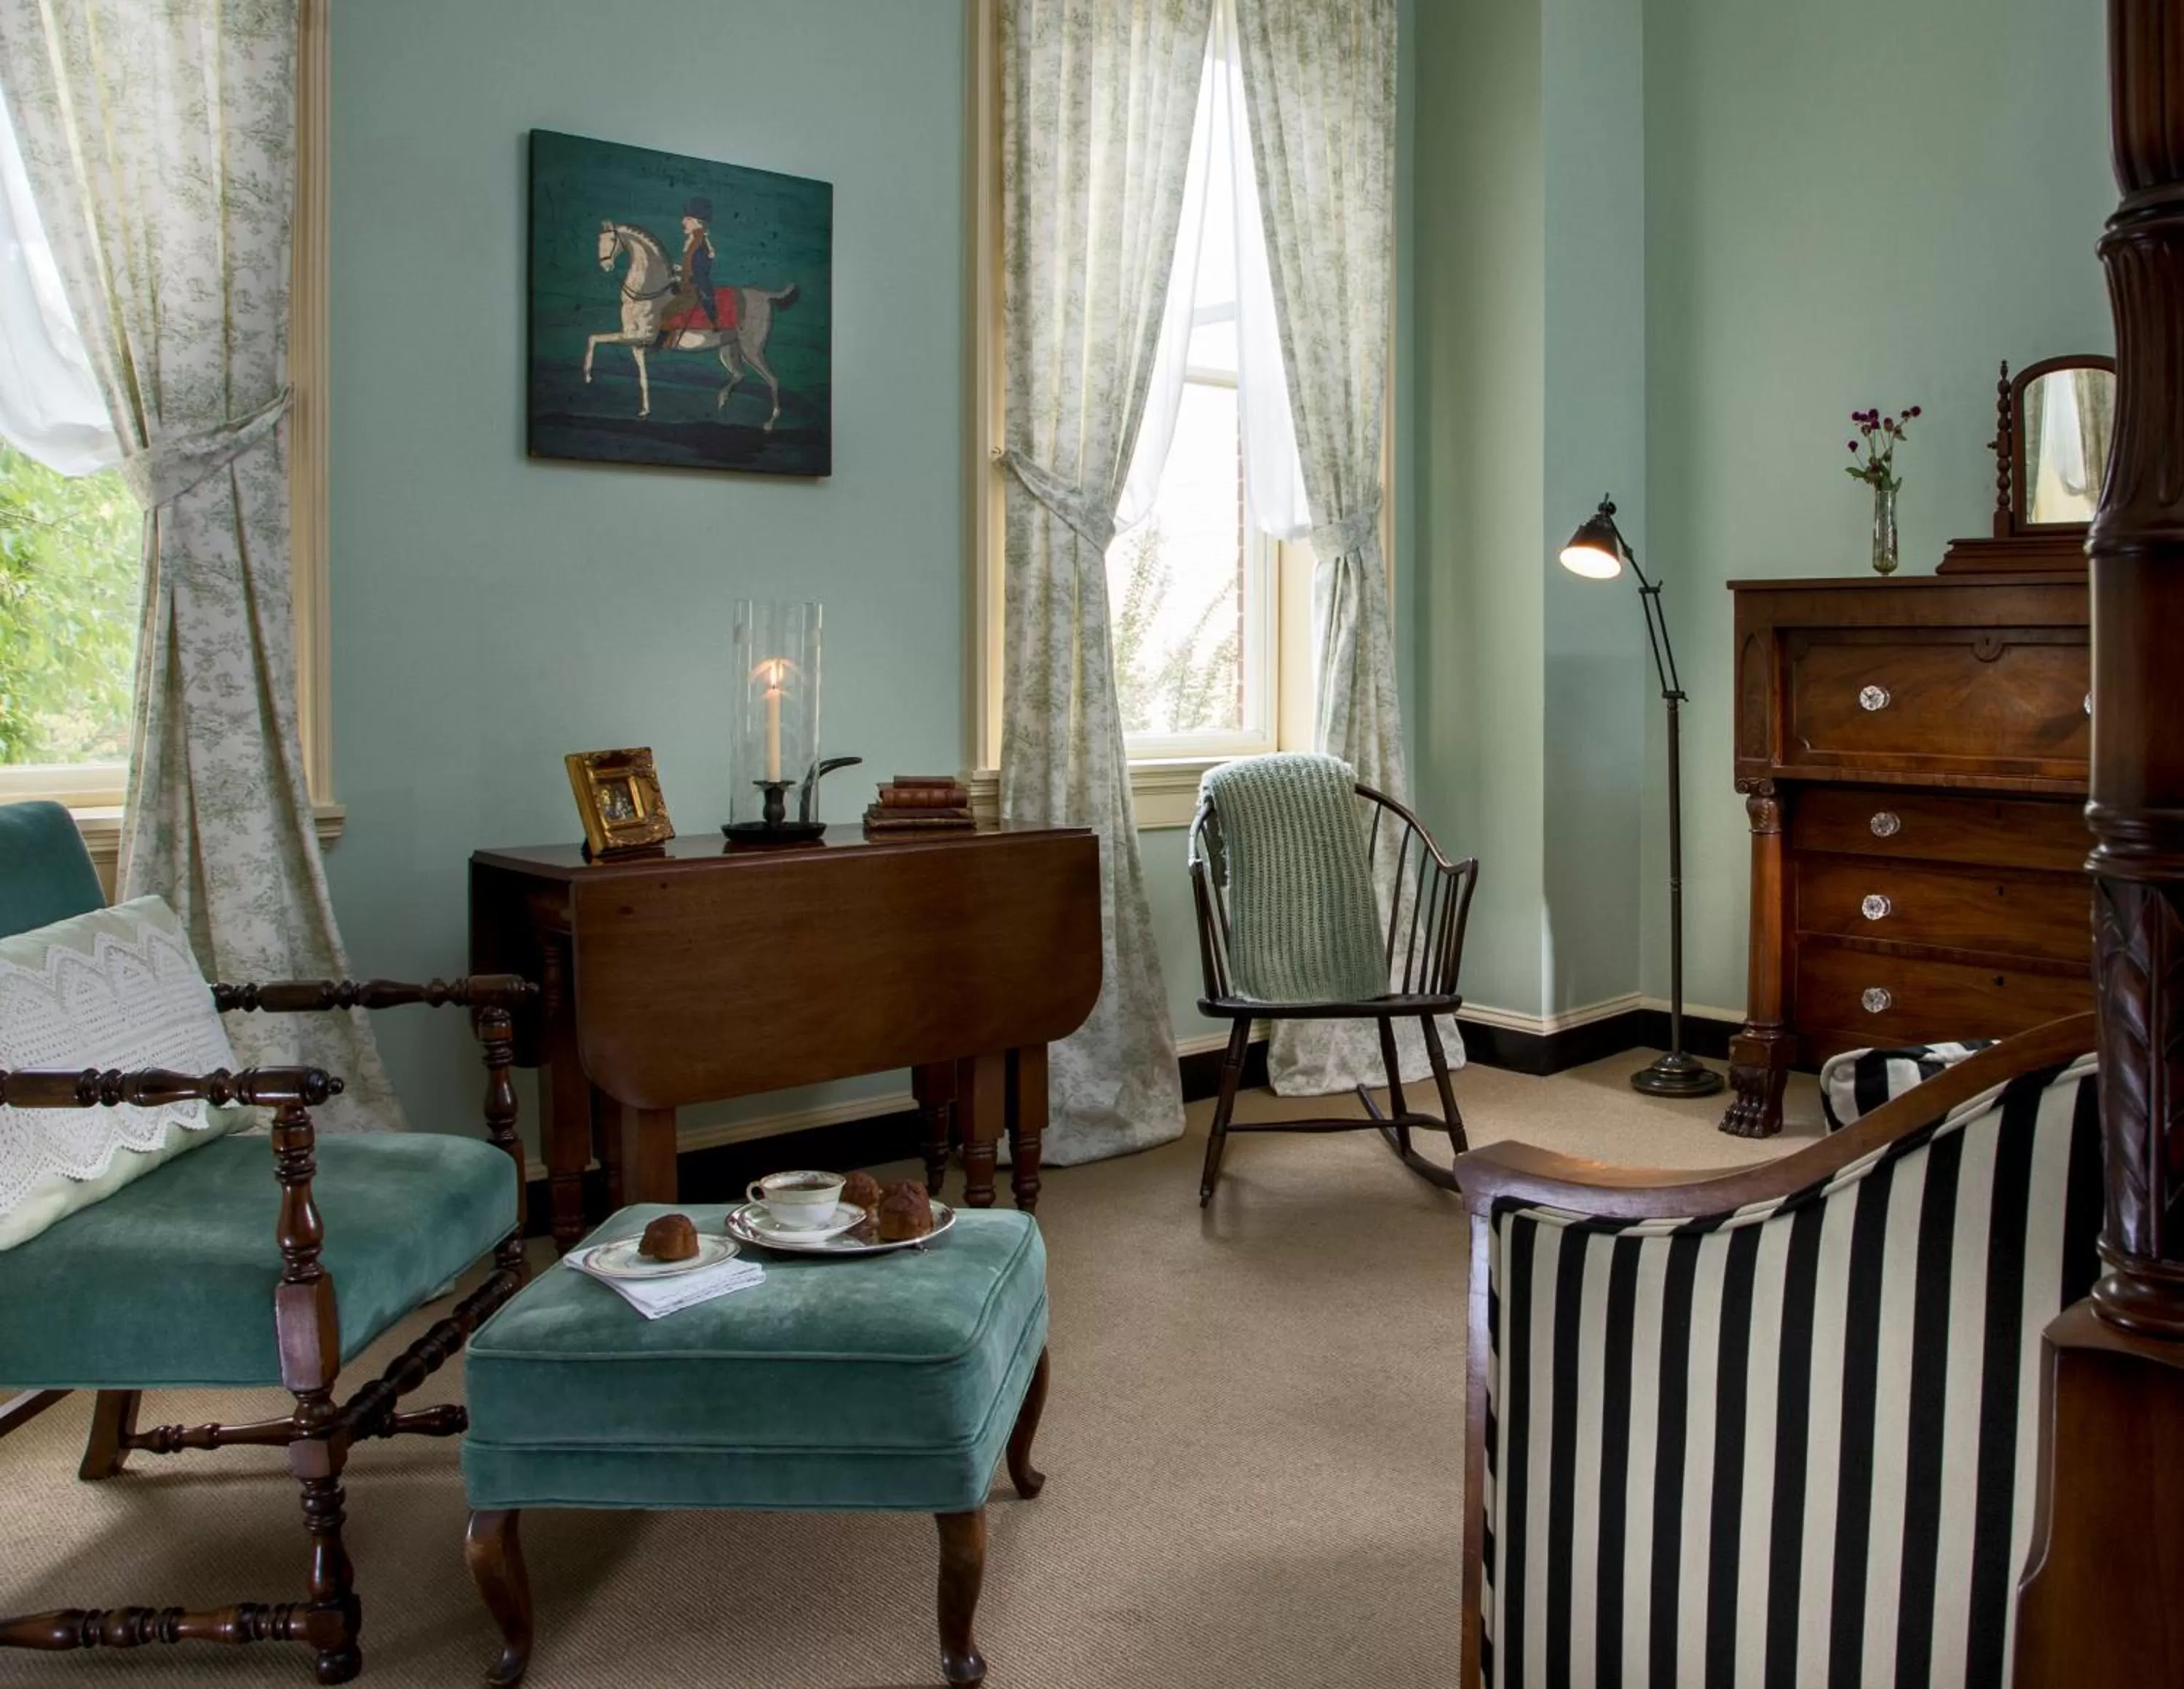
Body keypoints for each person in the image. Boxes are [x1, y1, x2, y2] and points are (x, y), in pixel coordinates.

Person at [655, 196, 716, 349]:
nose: (683, 222)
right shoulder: (695, 240)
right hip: (688, 285)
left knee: (665, 312)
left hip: (694, 290)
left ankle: (660, 345)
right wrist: (677, 270)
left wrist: (681, 277)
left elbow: (699, 273)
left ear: (697, 222)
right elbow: (691, 267)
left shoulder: (698, 243)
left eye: (687, 218)